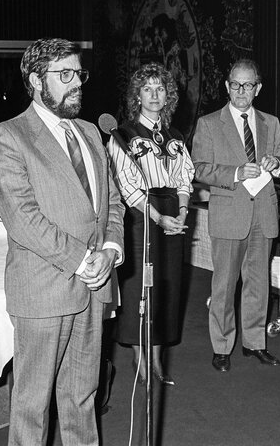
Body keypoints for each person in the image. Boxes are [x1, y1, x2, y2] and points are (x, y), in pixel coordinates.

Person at [0, 38, 125, 445]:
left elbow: (111, 203)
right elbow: (23, 220)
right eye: (64, 75)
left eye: (78, 74)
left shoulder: (89, 132)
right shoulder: (9, 136)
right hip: (44, 290)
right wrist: (85, 260)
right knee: (32, 405)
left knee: (83, 397)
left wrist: (111, 250)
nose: (76, 83)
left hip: (93, 287)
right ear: (35, 80)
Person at [192, 58, 280, 371]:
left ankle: (255, 343)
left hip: (263, 212)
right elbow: (199, 168)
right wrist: (235, 172)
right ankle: (221, 346)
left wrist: (277, 163)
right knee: (224, 286)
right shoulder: (208, 124)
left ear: (257, 88)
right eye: (235, 84)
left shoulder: (270, 123)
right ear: (226, 86)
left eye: (248, 85)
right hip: (228, 214)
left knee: (258, 285)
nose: (241, 90)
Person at [107, 62, 195, 386]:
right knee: (140, 287)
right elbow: (127, 187)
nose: (155, 95)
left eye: (160, 89)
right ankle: (139, 357)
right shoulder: (122, 136)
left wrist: (183, 214)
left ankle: (157, 359)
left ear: (168, 95)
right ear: (137, 96)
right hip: (141, 216)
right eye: (148, 89)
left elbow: (185, 177)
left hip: (173, 212)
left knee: (168, 285)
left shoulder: (175, 136)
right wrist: (158, 218)